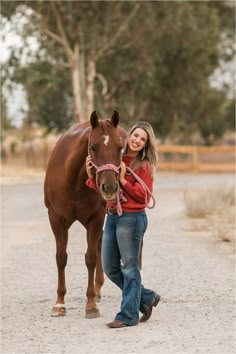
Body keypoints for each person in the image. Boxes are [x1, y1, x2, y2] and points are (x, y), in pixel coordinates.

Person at [86, 121, 160, 328]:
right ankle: (146, 297)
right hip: (112, 215)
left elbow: (144, 196)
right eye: (135, 136)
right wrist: (91, 175)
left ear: (146, 145)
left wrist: (124, 180)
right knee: (109, 267)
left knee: (129, 266)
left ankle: (128, 315)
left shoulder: (143, 165)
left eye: (142, 139)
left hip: (132, 218)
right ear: (128, 136)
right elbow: (102, 189)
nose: (137, 140)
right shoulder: (116, 157)